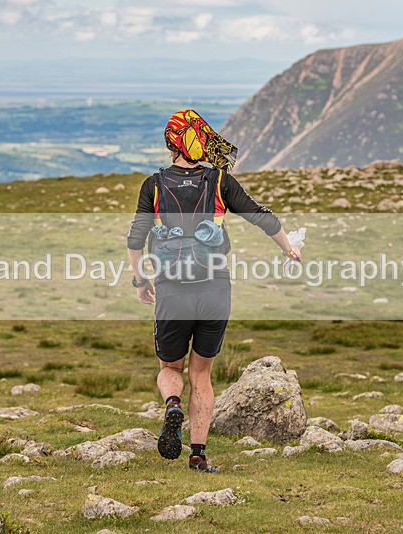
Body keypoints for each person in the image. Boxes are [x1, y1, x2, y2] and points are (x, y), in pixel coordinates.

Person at [126, 109, 300, 473]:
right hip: (215, 290)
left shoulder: (154, 185)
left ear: (171, 143)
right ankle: (198, 455)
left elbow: (136, 240)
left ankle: (172, 404)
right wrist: (289, 248)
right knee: (201, 374)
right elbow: (260, 215)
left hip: (173, 290)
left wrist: (141, 280)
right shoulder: (220, 180)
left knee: (169, 367)